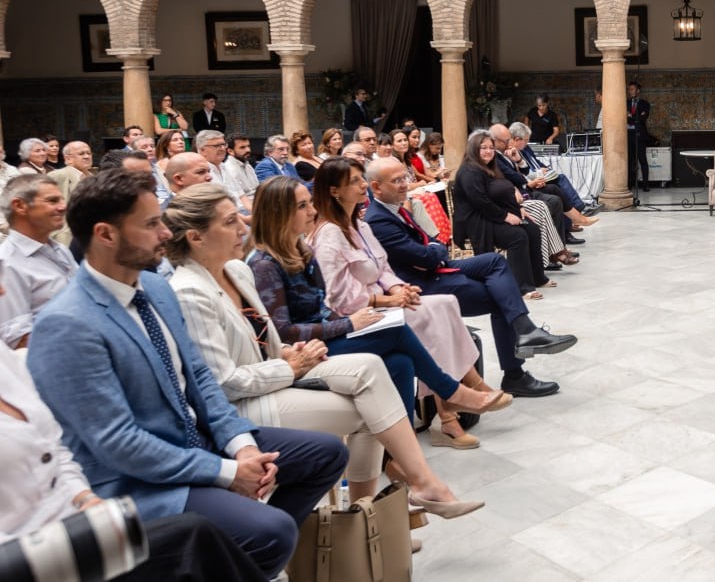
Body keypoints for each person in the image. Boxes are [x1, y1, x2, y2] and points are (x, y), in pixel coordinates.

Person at [25, 169, 349, 579]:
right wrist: (228, 473)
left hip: (199, 440)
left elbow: (199, 380)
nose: (166, 232)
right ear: (106, 235)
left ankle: (227, 560)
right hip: (139, 479)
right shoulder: (68, 322)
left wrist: (241, 447)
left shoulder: (154, 288)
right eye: (151, 224)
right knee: (271, 531)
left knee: (326, 454)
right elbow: (117, 443)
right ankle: (235, 557)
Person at [165, 184, 483, 517]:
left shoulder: (236, 270)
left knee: (376, 369)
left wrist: (289, 352)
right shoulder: (190, 292)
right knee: (372, 409)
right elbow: (222, 384)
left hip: (276, 371)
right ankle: (388, 503)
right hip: (240, 407)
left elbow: (267, 336)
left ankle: (394, 497)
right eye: (229, 222)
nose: (242, 227)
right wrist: (289, 366)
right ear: (195, 237)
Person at [247, 176, 509, 431]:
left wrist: (392, 292)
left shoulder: (302, 249)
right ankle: (452, 391)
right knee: (397, 329)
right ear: (278, 213)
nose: (312, 211)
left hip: (332, 328)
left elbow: (372, 273)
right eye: (302, 206)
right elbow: (282, 331)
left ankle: (396, 458)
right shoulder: (265, 264)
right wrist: (350, 322)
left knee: (402, 362)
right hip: (305, 350)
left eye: (310, 203)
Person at [0, 340, 268, 582]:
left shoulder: (5, 359)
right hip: (29, 561)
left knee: (199, 538)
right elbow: (118, 439)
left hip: (81, 528)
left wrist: (84, 499)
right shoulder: (66, 320)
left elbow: (56, 450)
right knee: (200, 536)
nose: (3, 290)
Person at [309, 158, 507, 448]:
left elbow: (384, 267)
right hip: (357, 314)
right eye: (355, 181)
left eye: (362, 178)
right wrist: (385, 299)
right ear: (335, 191)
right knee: (426, 318)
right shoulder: (329, 235)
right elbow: (337, 296)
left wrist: (400, 287)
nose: (364, 185)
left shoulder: (360, 226)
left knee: (445, 303)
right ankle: (452, 408)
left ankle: (459, 397)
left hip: (383, 302)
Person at [365, 158, 575, 398]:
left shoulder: (394, 209)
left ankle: (525, 332)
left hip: (434, 268)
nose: (404, 184)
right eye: (397, 180)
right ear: (376, 187)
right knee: (503, 296)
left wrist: (436, 248)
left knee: (495, 262)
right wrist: (436, 249)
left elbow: (432, 243)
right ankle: (516, 370)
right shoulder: (379, 219)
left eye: (405, 178)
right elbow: (427, 254)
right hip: (421, 284)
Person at [452, 130, 551, 300]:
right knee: (517, 236)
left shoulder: (489, 167)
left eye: (491, 147)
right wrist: (506, 216)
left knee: (532, 229)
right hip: (476, 220)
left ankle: (537, 277)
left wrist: (518, 210)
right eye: (483, 148)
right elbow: (480, 201)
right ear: (474, 149)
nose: (488, 151)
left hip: (491, 213)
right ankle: (521, 287)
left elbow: (499, 194)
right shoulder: (470, 171)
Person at [0, 176, 77, 348]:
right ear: (20, 206)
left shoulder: (60, 250)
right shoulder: (7, 264)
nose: (63, 207)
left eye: (62, 199)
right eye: (52, 201)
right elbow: (18, 339)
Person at [509, 121, 598, 226]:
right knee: (557, 185)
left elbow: (535, 163)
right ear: (517, 139)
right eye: (526, 140)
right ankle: (577, 212)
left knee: (558, 183)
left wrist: (545, 169)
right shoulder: (511, 153)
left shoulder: (525, 148)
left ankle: (573, 220)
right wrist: (533, 179)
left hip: (535, 178)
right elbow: (519, 176)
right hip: (528, 185)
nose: (527, 143)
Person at [46, 140, 93, 245]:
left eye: (89, 153)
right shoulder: (57, 176)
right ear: (68, 159)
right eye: (81, 154)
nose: (86, 156)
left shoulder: (94, 178)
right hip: (67, 236)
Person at [627, 81, 651, 192]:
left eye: (632, 89)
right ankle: (630, 184)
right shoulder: (625, 103)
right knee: (630, 161)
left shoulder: (645, 104)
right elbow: (624, 118)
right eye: (629, 89)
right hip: (628, 136)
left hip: (640, 136)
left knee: (642, 160)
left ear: (638, 91)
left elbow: (642, 118)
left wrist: (630, 115)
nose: (630, 91)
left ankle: (645, 185)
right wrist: (635, 116)